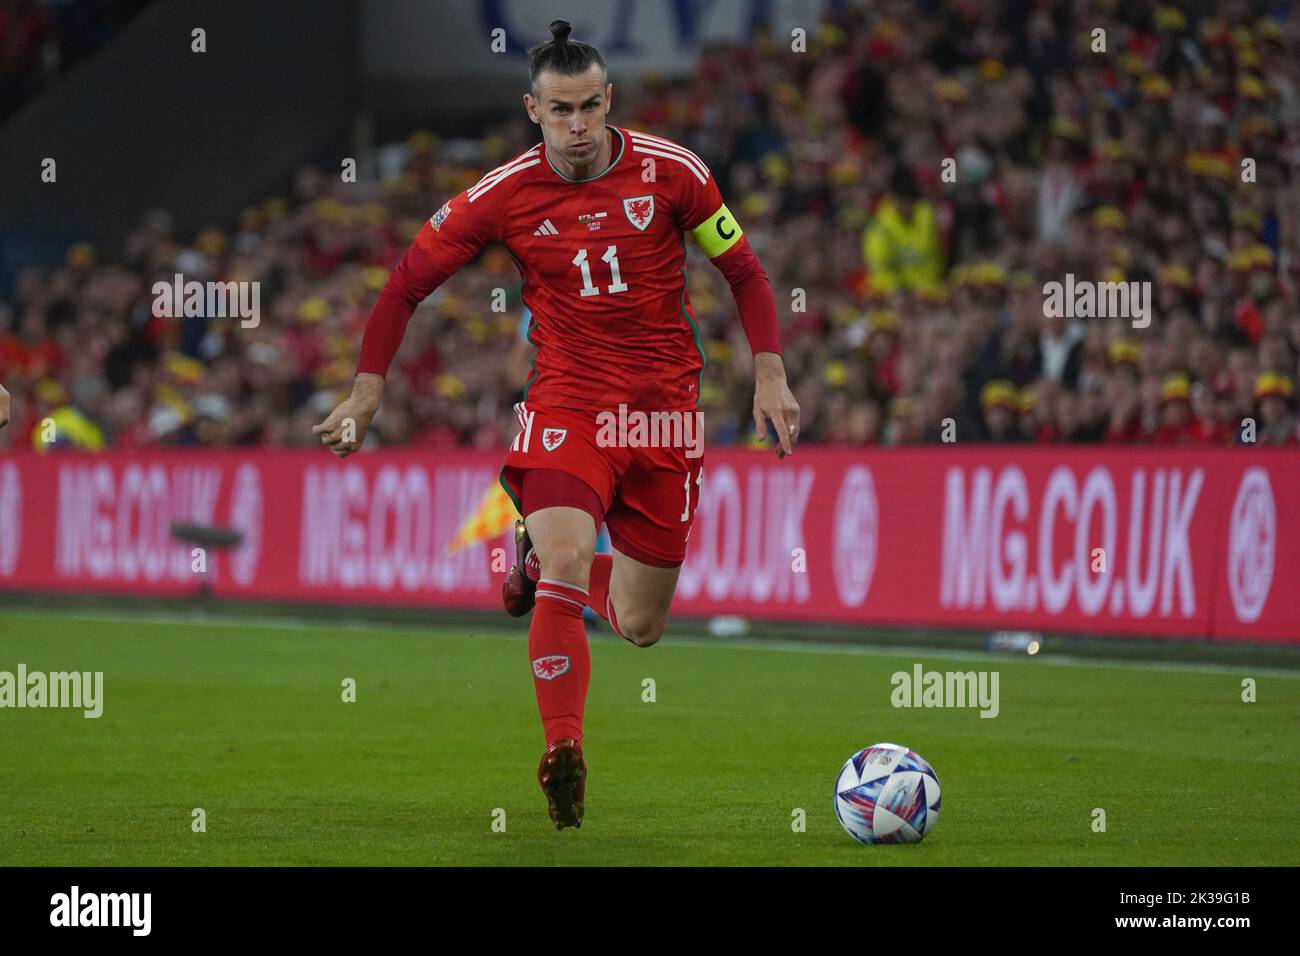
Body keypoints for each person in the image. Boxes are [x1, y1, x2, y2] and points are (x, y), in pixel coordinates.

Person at [312, 20, 799, 830]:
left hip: (665, 420)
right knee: (574, 550)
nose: (576, 125)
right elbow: (403, 287)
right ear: (531, 110)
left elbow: (742, 268)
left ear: (609, 101)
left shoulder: (674, 175)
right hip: (567, 407)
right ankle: (562, 749)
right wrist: (365, 396)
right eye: (559, 110)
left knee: (642, 626)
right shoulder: (499, 195)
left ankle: (535, 572)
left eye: (587, 107)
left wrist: (771, 376)